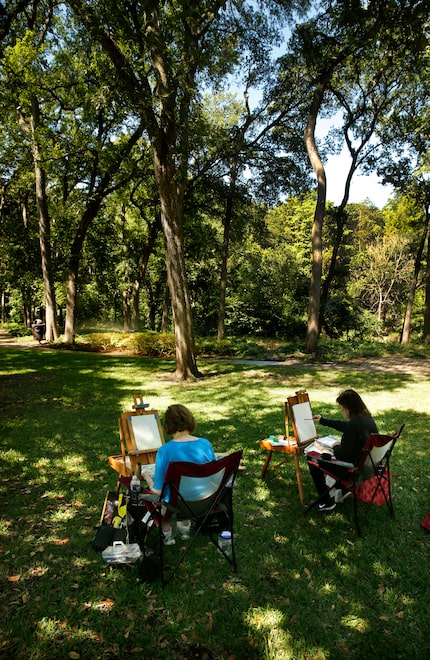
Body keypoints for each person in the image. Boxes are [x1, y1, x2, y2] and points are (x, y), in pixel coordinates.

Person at [141, 404, 216, 544]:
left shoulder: (165, 451)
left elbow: (157, 490)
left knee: (164, 496)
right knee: (186, 487)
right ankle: (185, 529)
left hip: (177, 506)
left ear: (168, 425)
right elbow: (213, 474)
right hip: (205, 501)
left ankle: (168, 535)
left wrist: (146, 477)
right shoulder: (205, 444)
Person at [307, 389, 378, 512]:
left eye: (341, 408)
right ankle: (342, 488)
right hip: (370, 466)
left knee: (312, 458)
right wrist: (322, 420)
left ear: (348, 408)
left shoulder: (353, 425)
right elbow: (345, 426)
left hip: (352, 471)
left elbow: (342, 455)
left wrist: (334, 445)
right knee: (326, 454)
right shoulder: (367, 418)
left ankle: (326, 501)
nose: (341, 411)